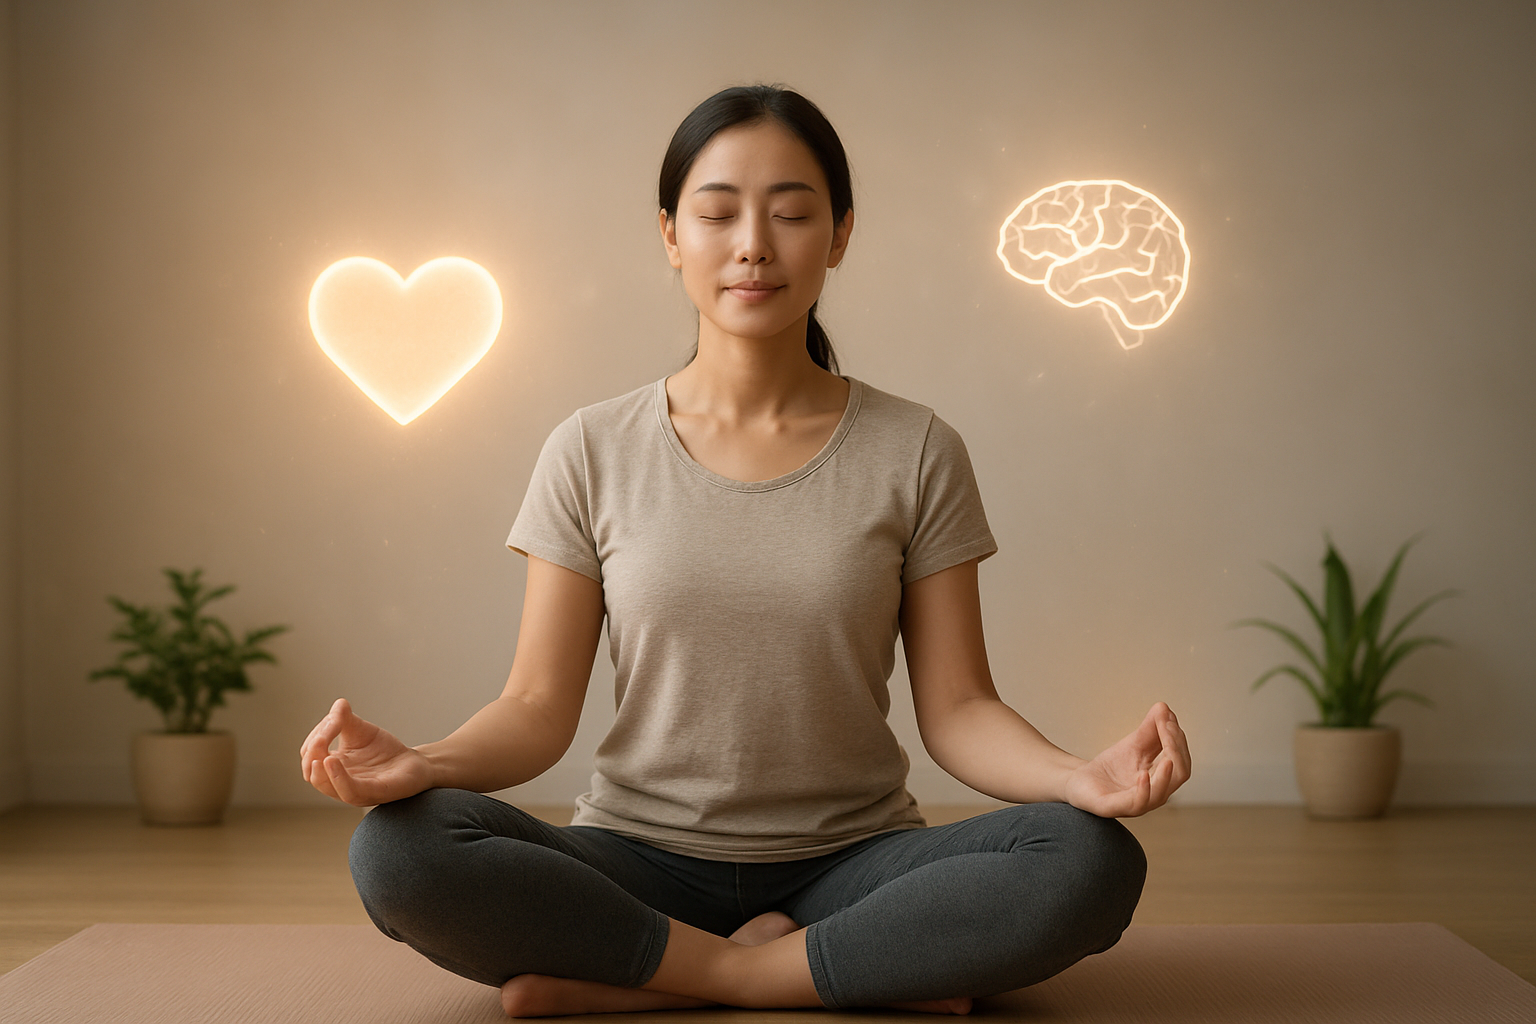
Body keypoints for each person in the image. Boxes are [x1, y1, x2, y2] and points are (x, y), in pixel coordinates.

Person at [300, 83, 1191, 1018]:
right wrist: (426, 764)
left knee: (1089, 857)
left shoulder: (917, 448)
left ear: (840, 235)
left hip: (854, 864)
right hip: (635, 862)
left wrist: (1078, 776)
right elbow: (533, 708)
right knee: (398, 849)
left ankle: (674, 978)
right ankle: (825, 973)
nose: (754, 243)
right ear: (670, 235)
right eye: (718, 213)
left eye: (793, 213)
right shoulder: (590, 449)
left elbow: (961, 709)